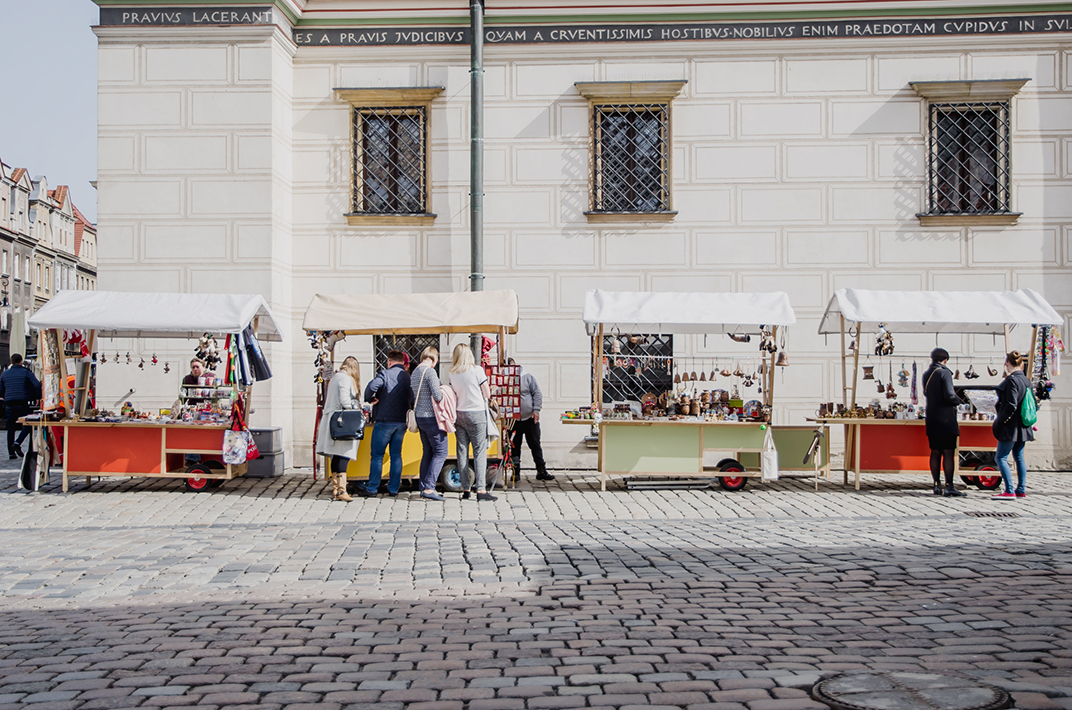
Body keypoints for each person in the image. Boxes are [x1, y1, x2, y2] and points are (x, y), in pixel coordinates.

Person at [358, 349, 411, 498]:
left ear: (389, 361)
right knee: (396, 455)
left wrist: (370, 399)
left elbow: (371, 387)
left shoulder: (385, 374)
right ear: (402, 361)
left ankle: (373, 488)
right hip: (401, 421)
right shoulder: (407, 376)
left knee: (377, 456)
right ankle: (393, 489)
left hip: (384, 421)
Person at [449, 343, 496, 501]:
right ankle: (481, 490)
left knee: (462, 451)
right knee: (479, 451)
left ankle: (466, 488)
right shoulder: (477, 370)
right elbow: (487, 393)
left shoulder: (452, 373)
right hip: (476, 413)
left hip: (459, 413)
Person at [315, 356, 363, 502]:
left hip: (334, 419)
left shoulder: (337, 377)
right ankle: (341, 490)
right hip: (342, 422)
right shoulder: (345, 378)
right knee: (343, 454)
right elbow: (345, 400)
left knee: (337, 455)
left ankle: (336, 489)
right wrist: (355, 405)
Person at [992, 350, 1034, 500]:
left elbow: (1011, 404)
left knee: (1001, 457)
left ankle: (1009, 490)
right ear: (1021, 363)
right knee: (1019, 457)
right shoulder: (1026, 380)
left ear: (1007, 363)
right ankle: (1021, 489)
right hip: (1023, 425)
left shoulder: (1012, 380)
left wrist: (1000, 421)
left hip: (1010, 426)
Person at [923, 347, 964, 497]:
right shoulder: (944, 372)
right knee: (948, 453)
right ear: (945, 360)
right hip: (946, 419)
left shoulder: (927, 374)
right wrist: (959, 400)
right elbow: (949, 394)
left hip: (932, 417)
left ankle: (936, 485)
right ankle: (949, 485)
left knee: (935, 452)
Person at [411, 347, 447, 501]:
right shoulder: (430, 372)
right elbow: (438, 396)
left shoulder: (415, 372)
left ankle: (423, 486)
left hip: (420, 417)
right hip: (431, 417)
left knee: (427, 452)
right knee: (441, 452)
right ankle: (429, 487)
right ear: (434, 358)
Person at [509, 358, 553, 482]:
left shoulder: (527, 377)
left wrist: (536, 410)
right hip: (514, 420)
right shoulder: (506, 379)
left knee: (535, 444)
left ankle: (541, 470)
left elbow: (537, 394)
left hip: (530, 418)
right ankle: (515, 472)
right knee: (514, 446)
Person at [0, 354, 40, 460]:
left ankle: (11, 453)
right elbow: (36, 384)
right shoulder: (26, 372)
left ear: (11, 361)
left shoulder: (4, 374)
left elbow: (1, 389)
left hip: (9, 403)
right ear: (21, 361)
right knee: (29, 424)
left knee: (11, 428)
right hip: (22, 402)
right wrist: (37, 397)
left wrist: (4, 397)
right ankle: (18, 442)